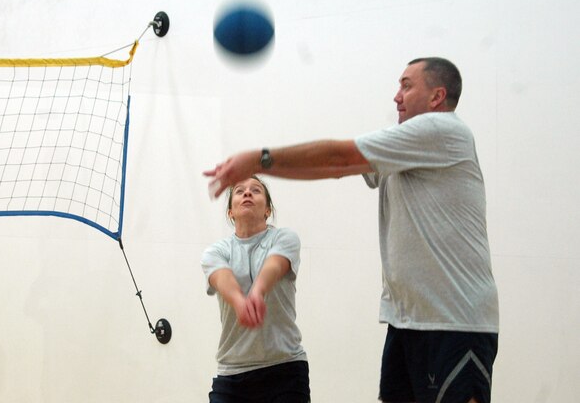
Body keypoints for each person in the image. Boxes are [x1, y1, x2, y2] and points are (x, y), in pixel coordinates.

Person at [203, 58, 499, 403]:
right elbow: (345, 164)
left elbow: (339, 159)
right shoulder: (405, 145)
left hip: (454, 322)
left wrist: (259, 159)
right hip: (407, 322)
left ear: (437, 96)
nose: (396, 97)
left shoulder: (441, 129)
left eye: (406, 85)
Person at [201, 176, 310, 403]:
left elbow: (275, 264)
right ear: (230, 212)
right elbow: (222, 279)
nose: (247, 193)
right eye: (239, 191)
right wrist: (241, 302)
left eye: (256, 190)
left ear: (268, 210)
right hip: (232, 373)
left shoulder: (285, 238)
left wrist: (257, 292)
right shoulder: (216, 252)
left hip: (285, 369)